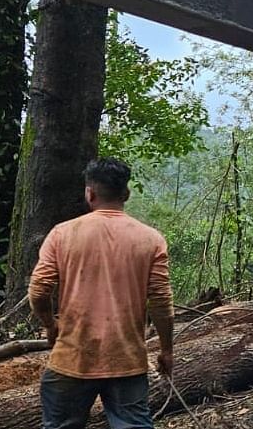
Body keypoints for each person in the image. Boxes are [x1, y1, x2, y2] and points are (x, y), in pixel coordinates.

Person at [29, 158, 174, 429]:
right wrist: (167, 350)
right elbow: (161, 302)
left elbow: (38, 290)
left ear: (90, 193)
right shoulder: (151, 239)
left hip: (72, 358)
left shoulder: (62, 234)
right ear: (126, 194)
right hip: (127, 361)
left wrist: (50, 324)